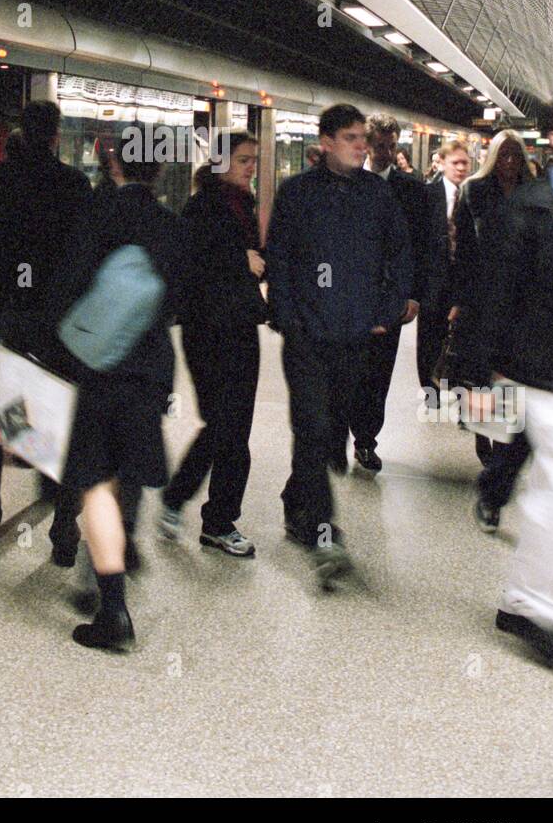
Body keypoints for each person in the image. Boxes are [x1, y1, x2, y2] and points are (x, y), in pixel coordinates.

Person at [265, 104, 412, 583]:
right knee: (311, 426)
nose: (360, 146)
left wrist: (386, 314)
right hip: (307, 336)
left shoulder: (378, 195)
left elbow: (400, 255)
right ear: (325, 142)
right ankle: (327, 533)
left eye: (362, 138)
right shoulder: (296, 194)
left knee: (330, 433)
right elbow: (279, 259)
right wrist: (286, 317)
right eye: (350, 137)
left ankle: (296, 499)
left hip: (354, 337)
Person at [60, 128, 183, 653]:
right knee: (127, 471)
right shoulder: (171, 228)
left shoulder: (94, 215)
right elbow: (176, 303)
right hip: (148, 370)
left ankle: (112, 605)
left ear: (116, 165)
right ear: (158, 172)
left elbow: (65, 286)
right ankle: (117, 549)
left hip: (96, 370)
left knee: (94, 480)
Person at [0, 102, 92, 558]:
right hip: (56, 320)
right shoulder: (73, 185)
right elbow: (86, 254)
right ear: (54, 136)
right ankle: (61, 523)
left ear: (21, 134)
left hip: (7, 313)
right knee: (56, 410)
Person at [453, 96, 553, 667]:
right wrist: (473, 374)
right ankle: (534, 605)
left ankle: (522, 600)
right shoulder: (524, 211)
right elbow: (490, 294)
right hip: (541, 371)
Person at [159, 131, 267, 555]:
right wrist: (238, 260)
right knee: (226, 426)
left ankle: (205, 512)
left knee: (231, 428)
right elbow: (187, 264)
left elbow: (254, 259)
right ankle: (210, 515)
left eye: (253, 159)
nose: (251, 167)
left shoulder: (243, 204)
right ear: (221, 163)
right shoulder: (201, 206)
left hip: (240, 326)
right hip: (207, 331)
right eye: (243, 160)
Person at [450, 130, 534, 510]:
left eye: (516, 155)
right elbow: (462, 251)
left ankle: (502, 447)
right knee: (479, 376)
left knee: (511, 375)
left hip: (521, 304)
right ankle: (484, 437)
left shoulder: (535, 196)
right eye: (505, 155)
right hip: (482, 300)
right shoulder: (474, 192)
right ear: (493, 156)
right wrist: (459, 300)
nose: (510, 162)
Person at [354, 114, 428, 470]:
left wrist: (414, 295)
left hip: (391, 297)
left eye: (390, 146)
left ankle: (366, 438)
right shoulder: (346, 183)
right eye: (379, 145)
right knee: (351, 367)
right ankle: (349, 426)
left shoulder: (412, 190)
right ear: (366, 145)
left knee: (379, 371)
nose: (384, 152)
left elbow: (422, 246)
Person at [416, 139, 471, 393]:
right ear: (443, 163)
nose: (460, 168)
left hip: (461, 280)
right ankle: (430, 389)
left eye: (464, 163)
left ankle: (453, 385)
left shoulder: (474, 196)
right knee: (429, 337)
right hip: (433, 282)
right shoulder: (428, 195)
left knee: (458, 339)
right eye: (455, 163)